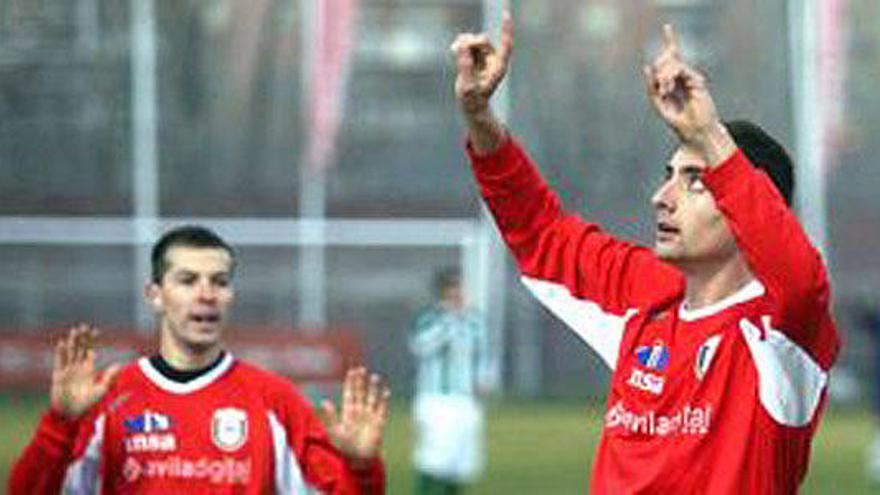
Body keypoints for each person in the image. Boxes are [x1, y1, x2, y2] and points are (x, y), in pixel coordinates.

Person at [450, 12, 839, 493]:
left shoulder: (783, 332)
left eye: (694, 181)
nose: (663, 197)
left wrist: (709, 134)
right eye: (668, 176)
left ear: (753, 205)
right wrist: (480, 117)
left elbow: (801, 278)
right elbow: (539, 233)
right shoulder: (645, 293)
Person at [8, 225, 389, 494]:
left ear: (231, 296)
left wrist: (361, 468)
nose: (206, 294)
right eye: (188, 280)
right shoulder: (105, 399)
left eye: (219, 282)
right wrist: (60, 426)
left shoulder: (275, 401)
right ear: (155, 295)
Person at [408, 267, 491, 494]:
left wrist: (484, 381)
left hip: (466, 400)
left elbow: (483, 355)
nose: (459, 292)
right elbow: (420, 346)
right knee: (434, 460)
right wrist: (449, 322)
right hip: (437, 399)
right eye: (454, 287)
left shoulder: (475, 320)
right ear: (443, 291)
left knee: (462, 464)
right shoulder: (430, 319)